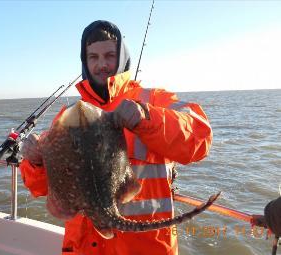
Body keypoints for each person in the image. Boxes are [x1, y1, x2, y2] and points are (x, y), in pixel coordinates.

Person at [20, 20, 212, 255]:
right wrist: (36, 160)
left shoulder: (153, 100)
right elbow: (40, 188)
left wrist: (146, 117)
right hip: (83, 248)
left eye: (109, 55)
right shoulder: (68, 118)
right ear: (85, 61)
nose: (102, 64)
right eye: (93, 57)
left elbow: (200, 140)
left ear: (122, 57)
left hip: (145, 247)